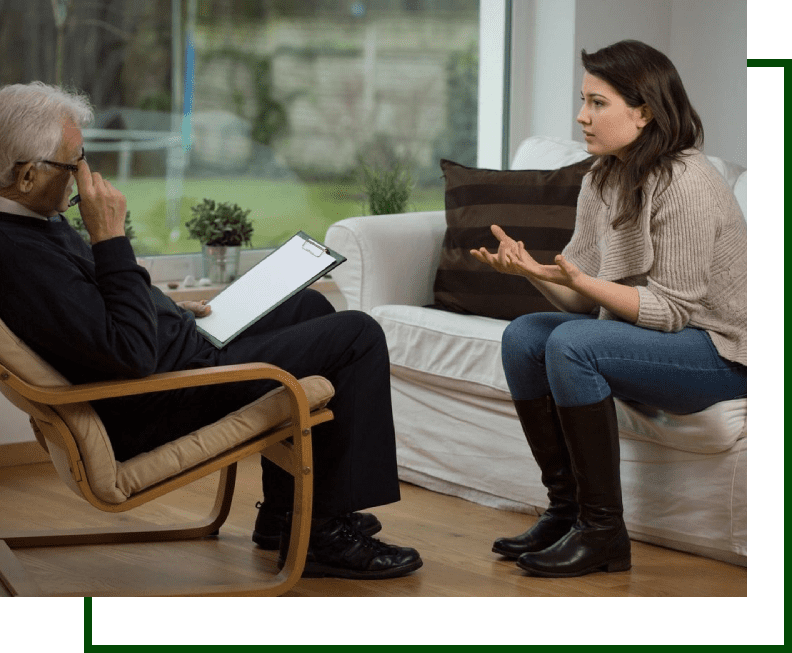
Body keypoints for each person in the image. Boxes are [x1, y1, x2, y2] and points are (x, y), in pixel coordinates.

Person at [0, 81, 422, 580]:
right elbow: (128, 355)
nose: (86, 179)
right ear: (28, 175)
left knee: (306, 304)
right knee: (357, 335)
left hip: (174, 359)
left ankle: (285, 515)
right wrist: (110, 236)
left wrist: (169, 311)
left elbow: (98, 311)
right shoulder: (18, 256)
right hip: (161, 396)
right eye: (76, 165)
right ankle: (324, 537)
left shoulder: (30, 224)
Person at [471, 40, 747, 578]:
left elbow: (671, 312)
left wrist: (586, 285)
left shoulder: (688, 183)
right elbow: (579, 292)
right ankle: (566, 511)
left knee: (575, 343)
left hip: (721, 352)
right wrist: (536, 273)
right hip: (661, 336)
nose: (581, 116)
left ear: (643, 112)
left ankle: (603, 535)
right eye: (583, 100)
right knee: (526, 335)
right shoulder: (603, 176)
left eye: (598, 102)